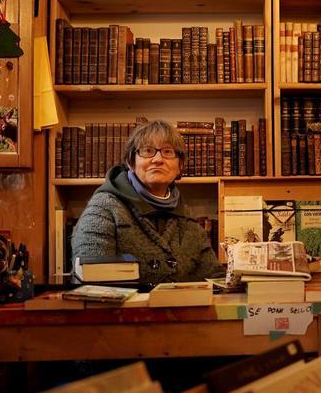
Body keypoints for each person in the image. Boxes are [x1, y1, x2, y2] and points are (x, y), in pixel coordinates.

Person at [70, 120, 222, 286]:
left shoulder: (186, 215)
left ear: (180, 166)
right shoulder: (103, 209)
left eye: (167, 152)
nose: (158, 159)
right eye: (147, 151)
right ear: (131, 162)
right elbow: (92, 284)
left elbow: (214, 278)